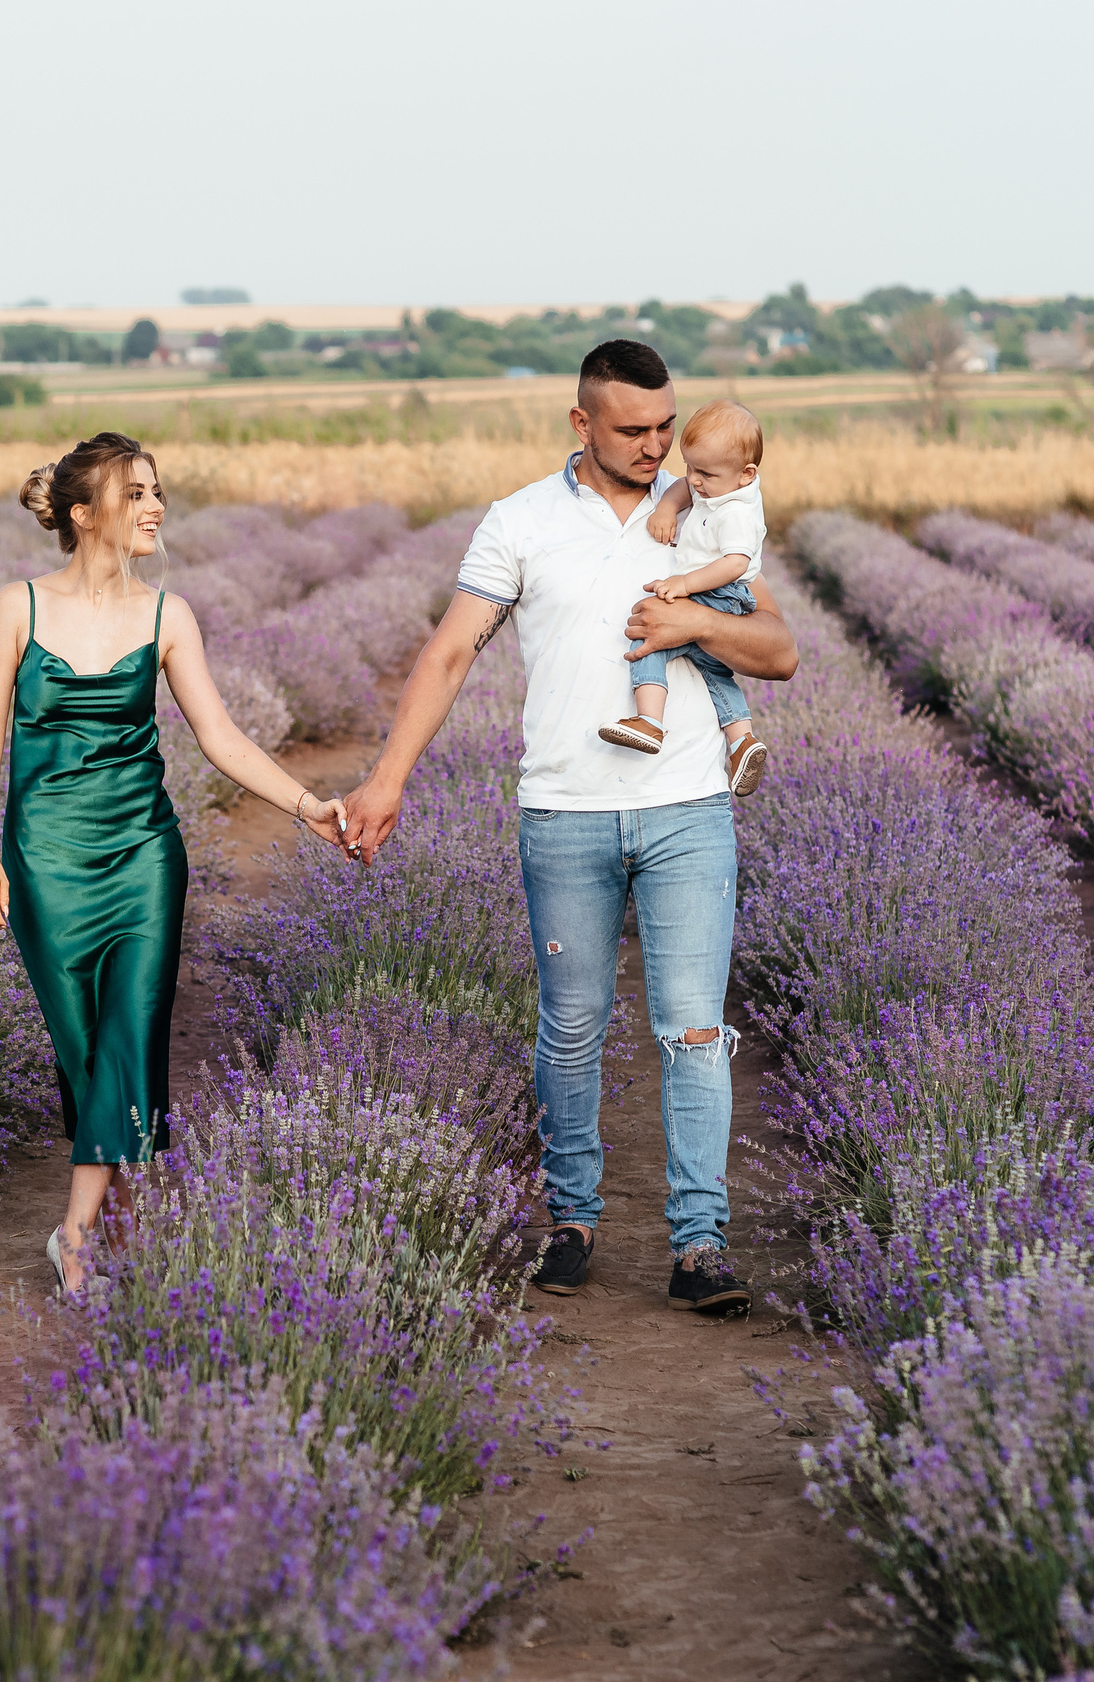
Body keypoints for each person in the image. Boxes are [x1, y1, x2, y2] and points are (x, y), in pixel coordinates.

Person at [339, 343, 799, 1312]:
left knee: (695, 1030)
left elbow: (779, 648)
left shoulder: (701, 510)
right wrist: (386, 779)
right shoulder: (521, 520)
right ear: (580, 424)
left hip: (686, 811)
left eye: (664, 426)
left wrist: (694, 627)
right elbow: (451, 649)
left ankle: (699, 1245)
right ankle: (572, 1218)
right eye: (633, 429)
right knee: (571, 1027)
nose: (655, 444)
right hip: (564, 813)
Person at [0, 432, 348, 1295]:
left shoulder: (169, 614)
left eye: (157, 490)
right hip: (43, 857)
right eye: (134, 493)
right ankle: (124, 1195)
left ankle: (76, 1233)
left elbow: (220, 738)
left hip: (142, 852)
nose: (154, 506)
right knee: (83, 1044)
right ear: (81, 512)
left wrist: (309, 808)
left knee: (128, 1032)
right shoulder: (15, 606)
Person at [598, 399, 771, 798]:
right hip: (714, 591)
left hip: (718, 591)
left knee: (650, 639)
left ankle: (649, 721)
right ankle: (742, 740)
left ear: (747, 475)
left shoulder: (738, 513)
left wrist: (685, 584)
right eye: (690, 467)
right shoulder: (720, 485)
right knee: (712, 669)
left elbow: (735, 563)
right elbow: (683, 488)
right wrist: (667, 508)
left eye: (703, 473)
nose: (692, 479)